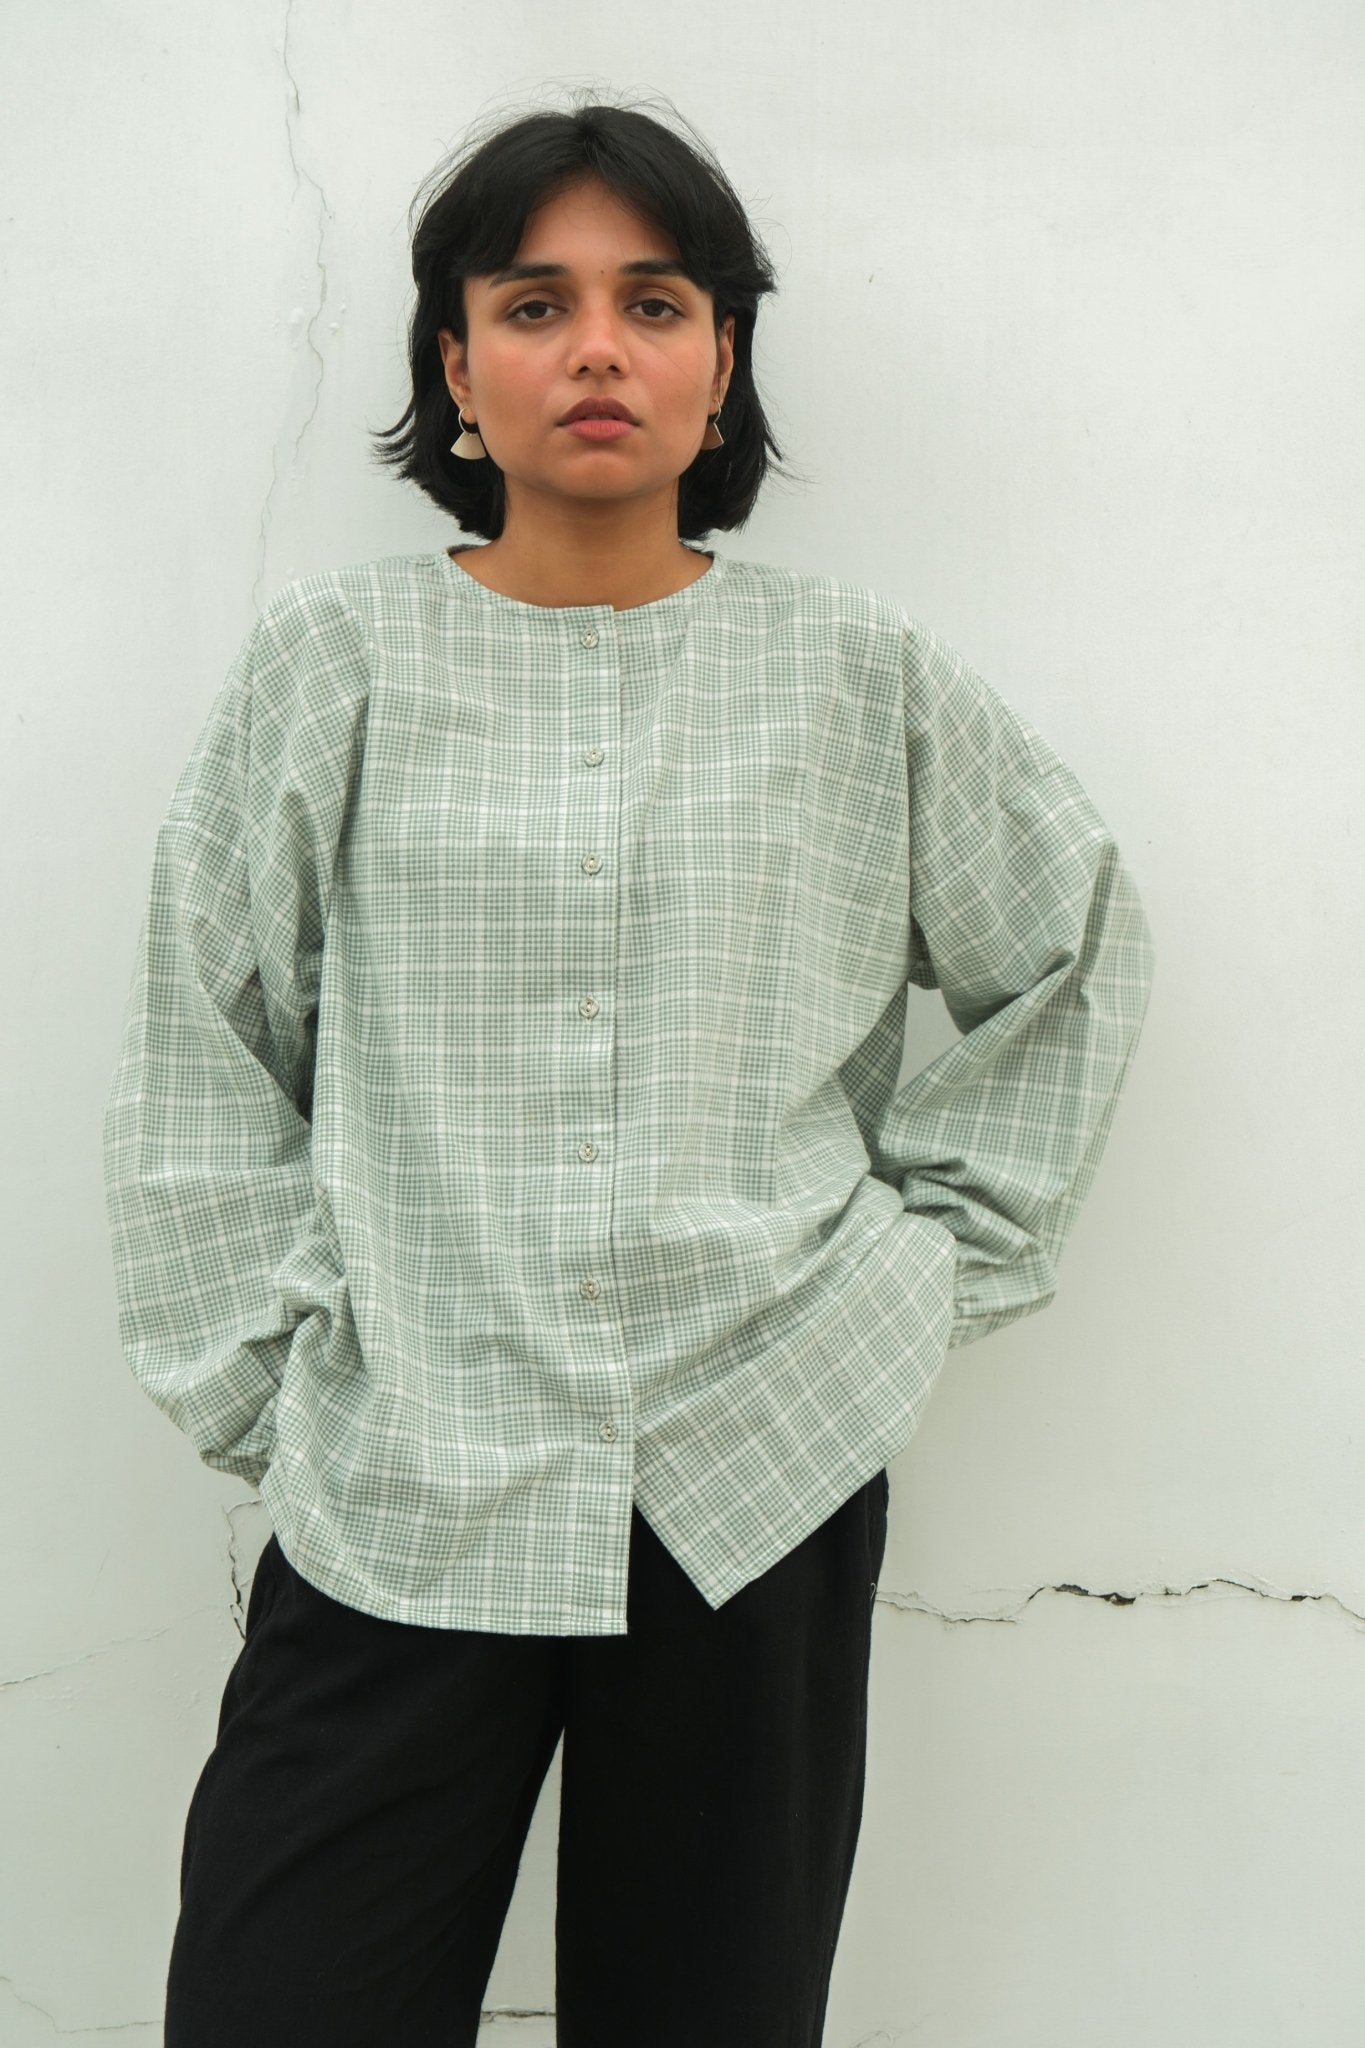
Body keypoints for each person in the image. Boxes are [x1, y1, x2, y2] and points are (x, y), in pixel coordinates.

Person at [102, 91, 1154, 2048]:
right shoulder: (330, 667)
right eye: (535, 302)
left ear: (720, 359)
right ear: (455, 365)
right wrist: (278, 1392)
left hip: (754, 1463)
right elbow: (203, 1045)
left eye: (653, 302)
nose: (597, 347)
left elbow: (1068, 953)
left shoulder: (859, 681)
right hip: (407, 1474)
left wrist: (909, 1280)